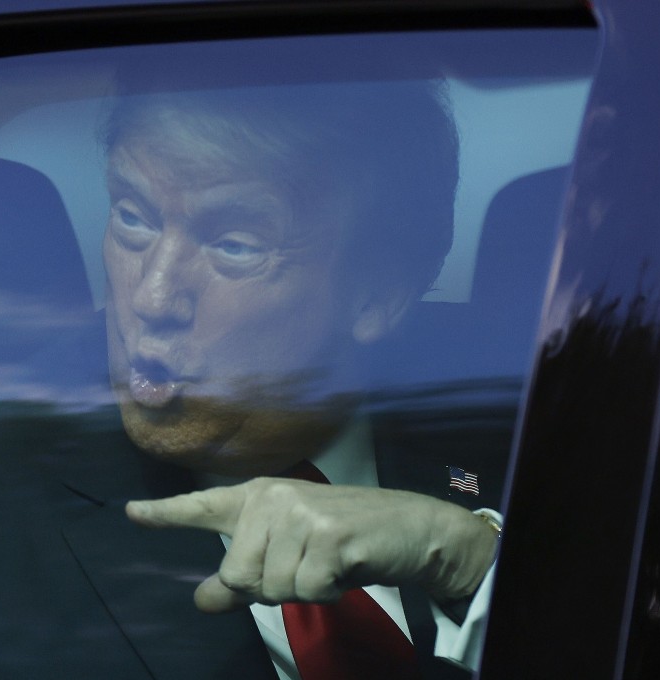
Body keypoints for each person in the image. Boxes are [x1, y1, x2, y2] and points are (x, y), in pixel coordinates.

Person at [100, 79, 502, 678]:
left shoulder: (529, 435)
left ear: (378, 295)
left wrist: (475, 566)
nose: (152, 297)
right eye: (133, 217)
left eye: (235, 246)